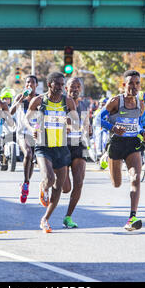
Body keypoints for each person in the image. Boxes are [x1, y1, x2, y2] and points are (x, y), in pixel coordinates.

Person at [24, 72, 78, 233]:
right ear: (49, 85)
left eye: (63, 84)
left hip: (61, 148)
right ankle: (43, 185)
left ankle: (45, 219)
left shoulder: (67, 101)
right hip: (43, 146)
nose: (61, 87)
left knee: (59, 187)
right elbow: (26, 119)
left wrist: (70, 123)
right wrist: (32, 128)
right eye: (58, 84)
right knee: (49, 178)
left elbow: (75, 121)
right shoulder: (39, 100)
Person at [99, 70, 145, 231]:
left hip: (132, 143)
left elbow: (139, 123)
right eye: (131, 83)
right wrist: (113, 127)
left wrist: (143, 132)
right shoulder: (115, 101)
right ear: (124, 85)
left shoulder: (140, 104)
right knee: (117, 183)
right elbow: (98, 119)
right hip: (116, 143)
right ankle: (106, 157)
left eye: (137, 83)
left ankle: (132, 217)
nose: (134, 87)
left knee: (135, 177)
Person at [61, 77, 91, 228]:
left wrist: (88, 130)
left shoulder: (84, 104)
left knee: (78, 183)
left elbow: (86, 124)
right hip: (62, 145)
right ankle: (45, 183)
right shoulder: (61, 103)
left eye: (78, 86)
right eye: (72, 87)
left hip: (79, 144)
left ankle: (68, 217)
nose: (75, 89)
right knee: (66, 188)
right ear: (66, 89)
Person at [9, 75, 39, 203]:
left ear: (36, 85)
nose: (30, 85)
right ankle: (26, 184)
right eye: (28, 82)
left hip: (34, 133)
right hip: (22, 132)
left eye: (32, 83)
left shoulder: (39, 99)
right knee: (28, 153)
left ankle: (26, 183)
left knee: (31, 159)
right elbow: (10, 112)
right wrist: (20, 100)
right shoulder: (20, 97)